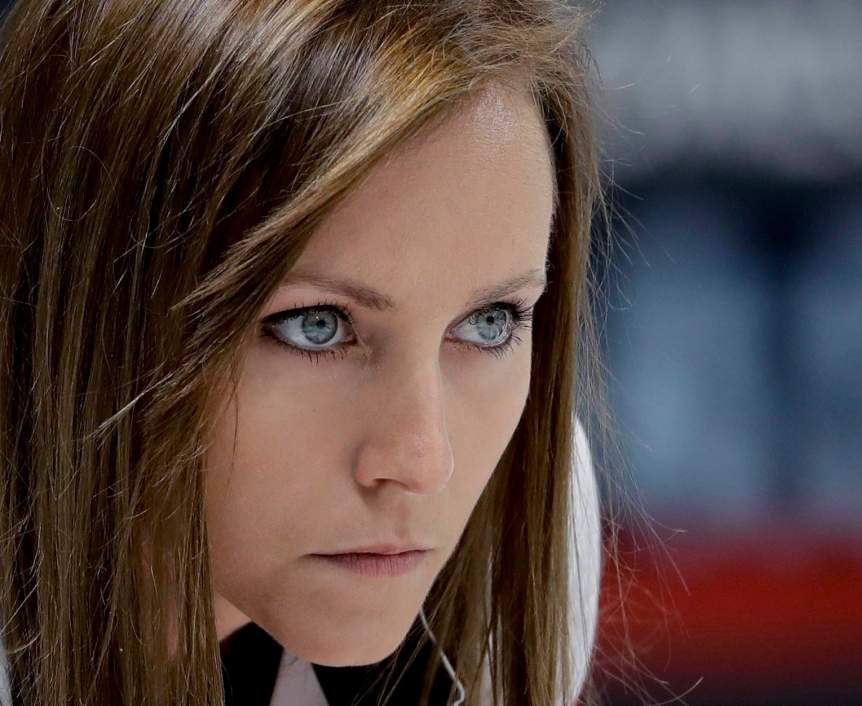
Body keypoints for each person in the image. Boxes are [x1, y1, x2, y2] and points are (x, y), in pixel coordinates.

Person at [0, 1, 614, 704]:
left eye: (489, 323)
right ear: (90, 298)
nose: (423, 462)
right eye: (316, 326)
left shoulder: (524, 528)